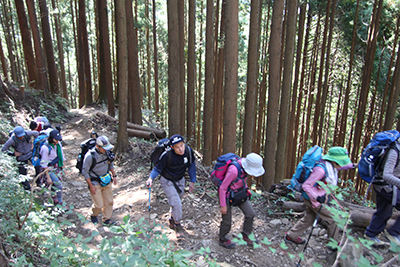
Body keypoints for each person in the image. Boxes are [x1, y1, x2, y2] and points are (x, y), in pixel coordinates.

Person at [285, 147, 355, 246]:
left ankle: (291, 236)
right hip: (314, 199)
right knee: (334, 218)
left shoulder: (329, 165)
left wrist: (354, 165)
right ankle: (333, 244)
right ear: (334, 161)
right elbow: (306, 186)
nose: (341, 166)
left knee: (309, 217)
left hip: (313, 197)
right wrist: (317, 198)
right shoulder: (321, 170)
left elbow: (344, 166)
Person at [146, 134, 196, 238]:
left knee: (178, 200)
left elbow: (191, 165)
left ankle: (172, 220)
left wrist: (192, 181)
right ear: (172, 147)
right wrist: (151, 178)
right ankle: (177, 225)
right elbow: (158, 169)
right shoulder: (167, 155)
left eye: (182, 145)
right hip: (167, 181)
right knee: (177, 204)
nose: (181, 149)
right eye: (177, 147)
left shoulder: (188, 151)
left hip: (180, 180)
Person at [218, 152, 265, 249]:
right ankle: (223, 239)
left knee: (250, 214)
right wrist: (223, 205)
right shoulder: (234, 170)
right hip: (227, 195)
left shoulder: (245, 168)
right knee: (227, 221)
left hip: (240, 193)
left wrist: (246, 191)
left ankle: (246, 235)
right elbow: (222, 188)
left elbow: (242, 181)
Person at [364, 138, 400, 248]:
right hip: (385, 186)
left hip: (384, 185)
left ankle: (370, 235)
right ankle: (393, 233)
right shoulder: (394, 151)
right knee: (384, 211)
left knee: (384, 211)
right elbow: (387, 175)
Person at [82, 136, 117, 226]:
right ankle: (93, 214)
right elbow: (85, 172)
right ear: (98, 146)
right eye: (104, 148)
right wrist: (91, 186)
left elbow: (111, 163)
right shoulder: (90, 156)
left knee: (109, 201)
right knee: (98, 204)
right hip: (95, 182)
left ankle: (106, 219)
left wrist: (114, 175)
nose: (106, 150)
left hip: (106, 180)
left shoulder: (107, 152)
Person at [2, 125, 39, 190]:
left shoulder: (27, 133)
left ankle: (38, 182)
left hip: (30, 154)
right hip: (21, 157)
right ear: (16, 135)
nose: (21, 137)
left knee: (38, 166)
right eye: (20, 136)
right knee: (22, 175)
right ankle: (28, 189)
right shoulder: (12, 140)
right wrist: (13, 154)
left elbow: (36, 133)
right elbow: (3, 149)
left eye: (22, 135)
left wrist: (33, 143)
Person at [39, 129, 65, 205]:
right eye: (56, 139)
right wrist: (48, 177)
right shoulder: (45, 148)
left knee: (55, 185)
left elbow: (61, 155)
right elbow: (44, 164)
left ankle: (54, 198)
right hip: (49, 168)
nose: (57, 141)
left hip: (56, 166)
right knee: (59, 185)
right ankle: (60, 202)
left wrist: (63, 166)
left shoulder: (58, 144)